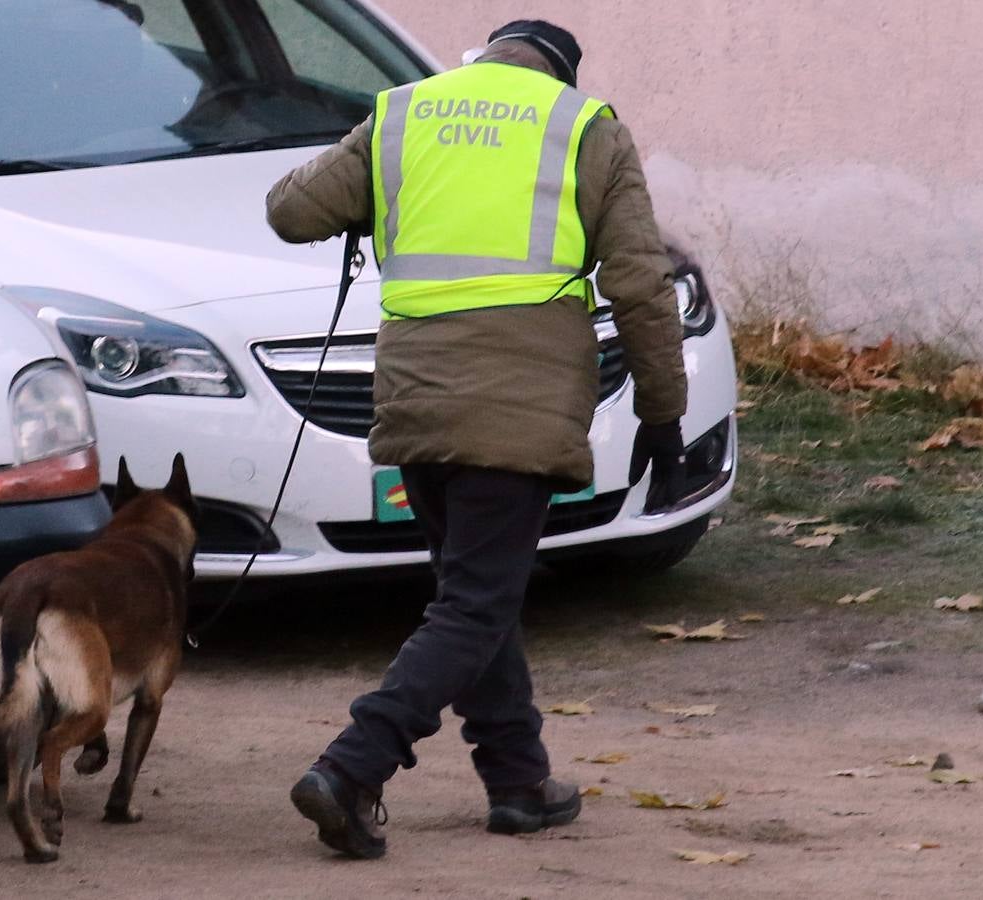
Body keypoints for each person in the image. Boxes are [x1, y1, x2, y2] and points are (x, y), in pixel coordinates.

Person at [265, 19, 688, 860]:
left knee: (475, 595)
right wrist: (662, 412)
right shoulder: (584, 125)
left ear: (482, 58)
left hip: (417, 406)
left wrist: (383, 199)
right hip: (518, 406)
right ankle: (353, 765)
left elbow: (288, 211)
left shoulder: (402, 113)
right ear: (559, 72)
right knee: (475, 602)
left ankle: (519, 782)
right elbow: (641, 285)